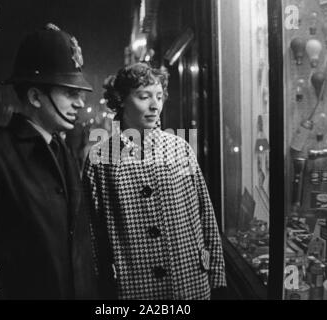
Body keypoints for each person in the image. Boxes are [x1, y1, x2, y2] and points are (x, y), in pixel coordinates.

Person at [0, 23, 98, 299]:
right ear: (35, 96)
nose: (79, 103)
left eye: (80, 94)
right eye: (69, 93)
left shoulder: (62, 150)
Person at [83, 62, 226, 300]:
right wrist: (102, 284)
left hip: (188, 282)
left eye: (159, 97)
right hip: (132, 287)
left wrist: (218, 277)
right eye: (143, 96)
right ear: (121, 100)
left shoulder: (180, 147)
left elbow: (206, 215)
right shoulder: (101, 158)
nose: (154, 105)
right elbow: (92, 230)